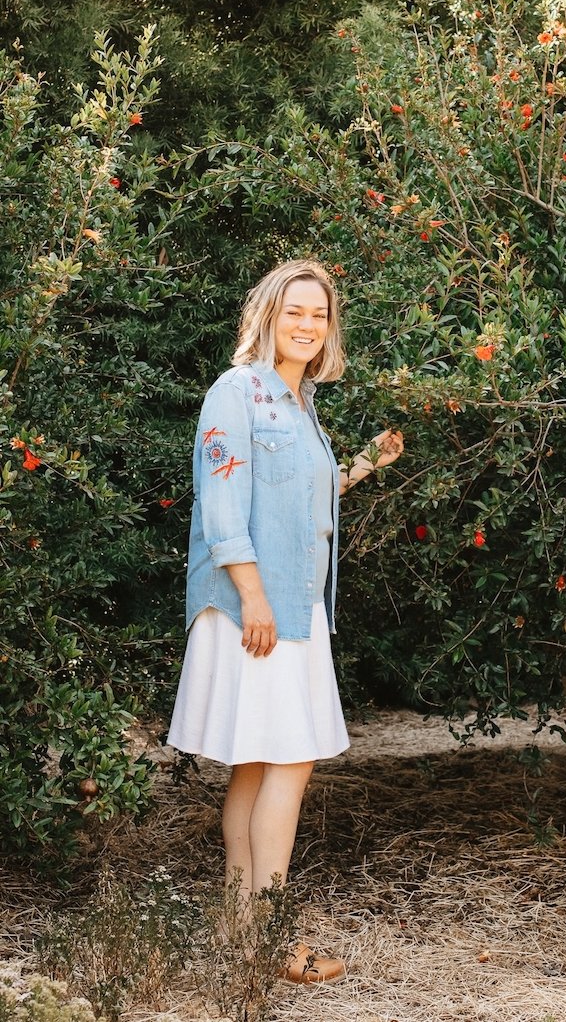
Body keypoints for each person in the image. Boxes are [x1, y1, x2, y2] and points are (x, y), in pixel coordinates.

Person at [168, 258, 403, 986]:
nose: (307, 325)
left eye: (319, 315)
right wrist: (257, 598)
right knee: (290, 762)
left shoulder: (299, 405)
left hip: (290, 603)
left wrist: (362, 466)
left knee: (254, 768)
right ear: (266, 316)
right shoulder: (235, 393)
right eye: (294, 311)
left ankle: (243, 934)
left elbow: (299, 496)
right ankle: (271, 938)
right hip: (259, 610)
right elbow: (223, 504)